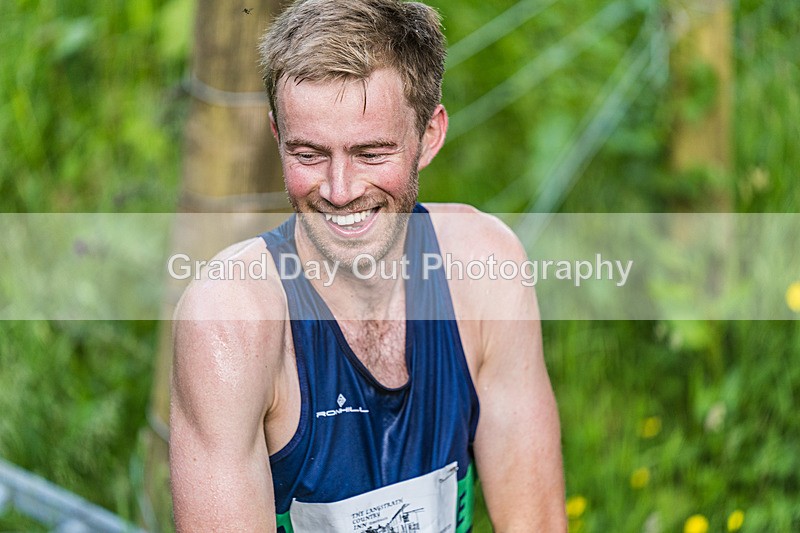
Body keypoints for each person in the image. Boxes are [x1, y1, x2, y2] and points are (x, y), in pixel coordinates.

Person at [169, 0, 566, 531]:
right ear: (277, 135)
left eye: (371, 154)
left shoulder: (485, 272)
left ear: (428, 136)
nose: (340, 191)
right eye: (308, 154)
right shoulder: (229, 322)